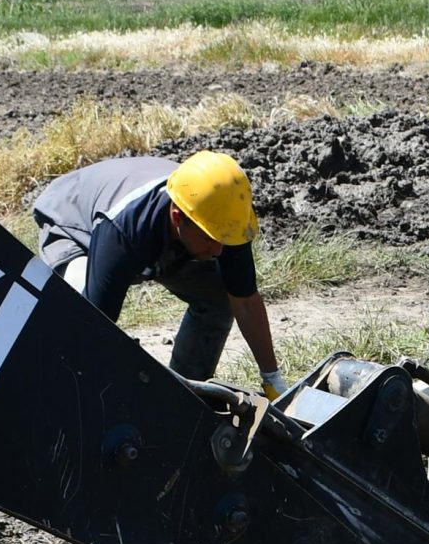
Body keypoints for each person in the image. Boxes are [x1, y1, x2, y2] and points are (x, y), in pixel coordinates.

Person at [30, 151, 286, 396]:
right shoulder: (123, 230)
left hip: (163, 239)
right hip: (73, 227)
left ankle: (186, 398)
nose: (220, 250)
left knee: (218, 299)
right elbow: (95, 327)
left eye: (225, 239)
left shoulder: (224, 219)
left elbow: (246, 303)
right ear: (177, 217)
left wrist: (272, 379)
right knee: (80, 317)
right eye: (212, 238)